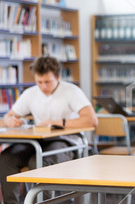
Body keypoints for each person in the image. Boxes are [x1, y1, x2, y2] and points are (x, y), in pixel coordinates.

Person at [0, 56, 98, 203]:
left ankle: (45, 211)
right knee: (5, 159)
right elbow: (8, 116)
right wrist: (9, 120)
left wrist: (56, 122)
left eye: (47, 82)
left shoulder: (71, 91)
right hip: (38, 142)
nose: (43, 87)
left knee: (39, 162)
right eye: (39, 82)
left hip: (67, 141)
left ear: (58, 77)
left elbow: (92, 120)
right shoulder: (31, 93)